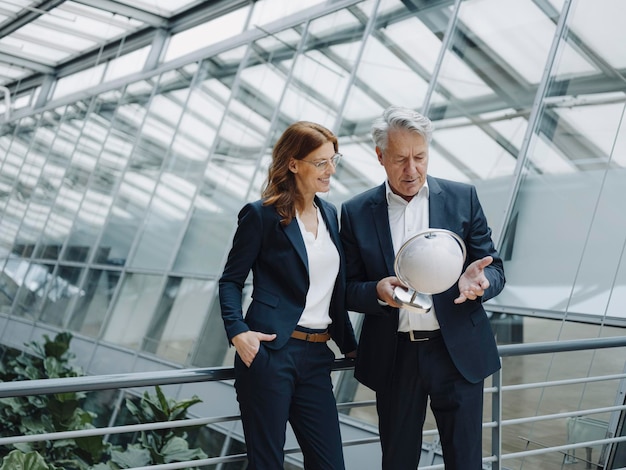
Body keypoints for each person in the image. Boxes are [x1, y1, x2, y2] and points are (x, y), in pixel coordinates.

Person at [340, 106, 505, 470]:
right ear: (380, 156)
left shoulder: (464, 197)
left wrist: (480, 283)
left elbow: (495, 269)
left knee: (465, 463)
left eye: (420, 157)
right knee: (397, 462)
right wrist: (377, 291)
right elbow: (347, 289)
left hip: (457, 353)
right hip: (395, 358)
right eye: (400, 159)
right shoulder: (354, 212)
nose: (411, 170)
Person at [219, 121, 358, 470]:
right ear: (294, 164)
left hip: (316, 357)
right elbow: (230, 281)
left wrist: (351, 345)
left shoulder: (329, 213)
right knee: (267, 464)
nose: (331, 170)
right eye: (321, 162)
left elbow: (333, 290)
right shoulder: (261, 215)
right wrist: (238, 332)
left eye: (333, 160)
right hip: (270, 353)